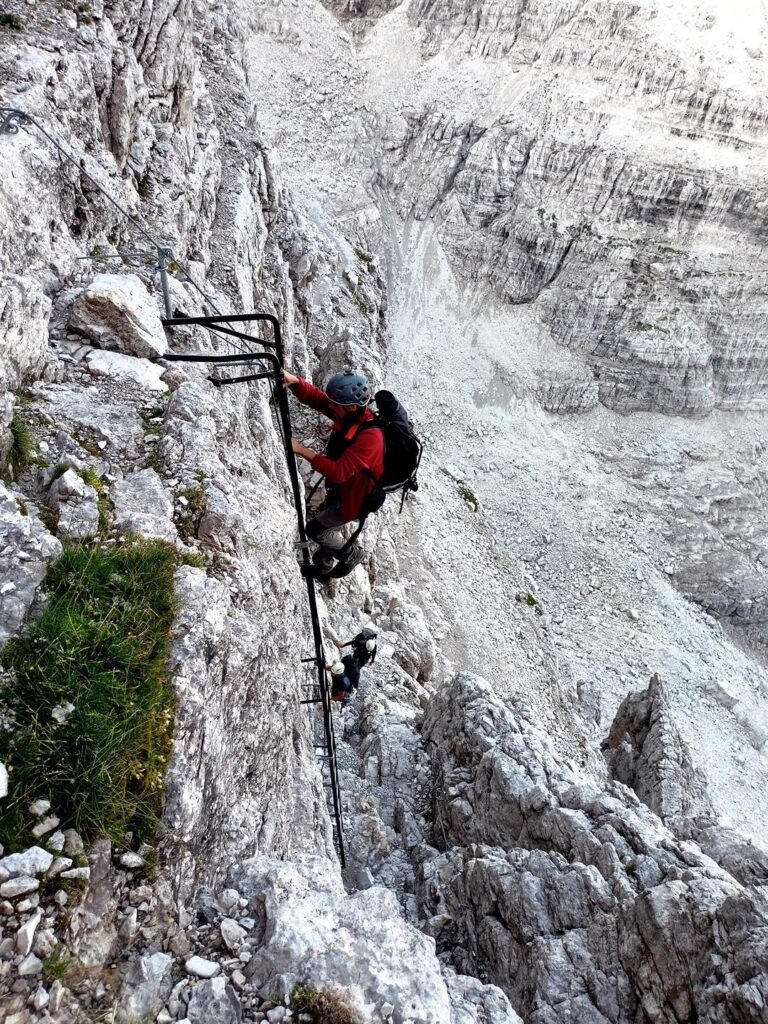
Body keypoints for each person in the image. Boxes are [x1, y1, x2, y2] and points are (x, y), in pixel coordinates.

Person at [283, 368, 385, 579]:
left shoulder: (371, 438)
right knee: (326, 519)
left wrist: (301, 450)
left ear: (352, 407)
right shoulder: (353, 416)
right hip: (343, 489)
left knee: (315, 529)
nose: (330, 407)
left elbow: (338, 472)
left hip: (353, 499)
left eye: (335, 405)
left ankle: (351, 554)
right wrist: (295, 382)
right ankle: (323, 564)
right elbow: (321, 401)